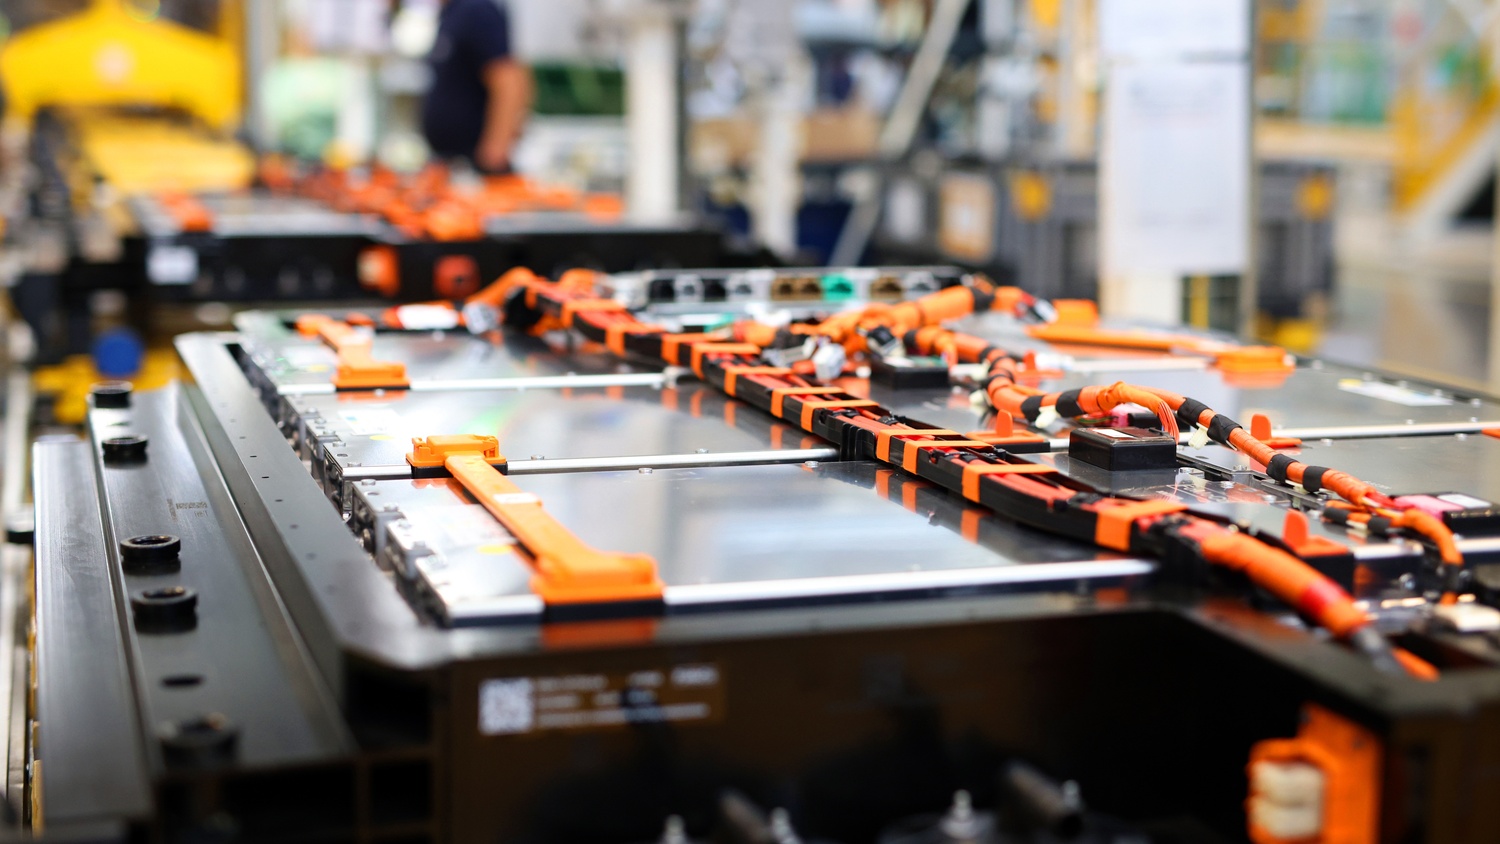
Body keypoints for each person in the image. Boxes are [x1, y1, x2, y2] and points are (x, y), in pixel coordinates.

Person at [421, 0, 532, 173]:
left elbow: (509, 81)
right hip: (453, 162)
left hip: (475, 165)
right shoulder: (451, 13)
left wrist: (497, 147)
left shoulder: (476, 9)